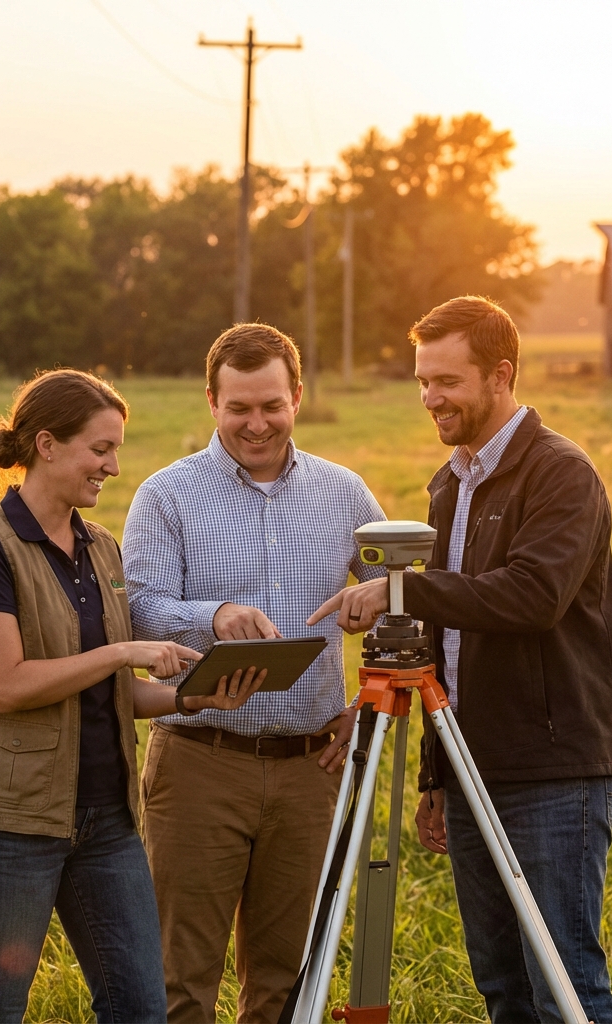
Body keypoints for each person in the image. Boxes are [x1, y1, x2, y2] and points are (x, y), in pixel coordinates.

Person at [310, 296, 612, 1024]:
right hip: (470, 765)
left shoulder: (560, 473)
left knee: (563, 981)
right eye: (423, 381)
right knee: (502, 986)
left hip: (552, 768)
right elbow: (442, 650)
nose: (431, 398)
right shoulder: (449, 482)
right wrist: (435, 777)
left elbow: (531, 596)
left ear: (500, 375)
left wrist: (400, 591)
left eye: (447, 381)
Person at [0, 368, 263, 1024]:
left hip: (107, 820)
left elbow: (111, 693)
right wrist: (122, 652)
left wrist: (190, 700)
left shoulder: (101, 548)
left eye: (116, 449)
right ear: (48, 444)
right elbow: (6, 687)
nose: (114, 466)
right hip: (12, 822)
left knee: (140, 1007)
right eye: (101, 449)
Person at [122, 323, 387, 1023]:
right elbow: (140, 607)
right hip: (199, 760)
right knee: (182, 978)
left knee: (284, 977)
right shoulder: (165, 495)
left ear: (297, 397)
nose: (257, 423)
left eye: (271, 404)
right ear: (211, 401)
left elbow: (399, 603)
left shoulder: (345, 493)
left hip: (309, 768)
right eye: (239, 407)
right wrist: (213, 617)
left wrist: (371, 702)